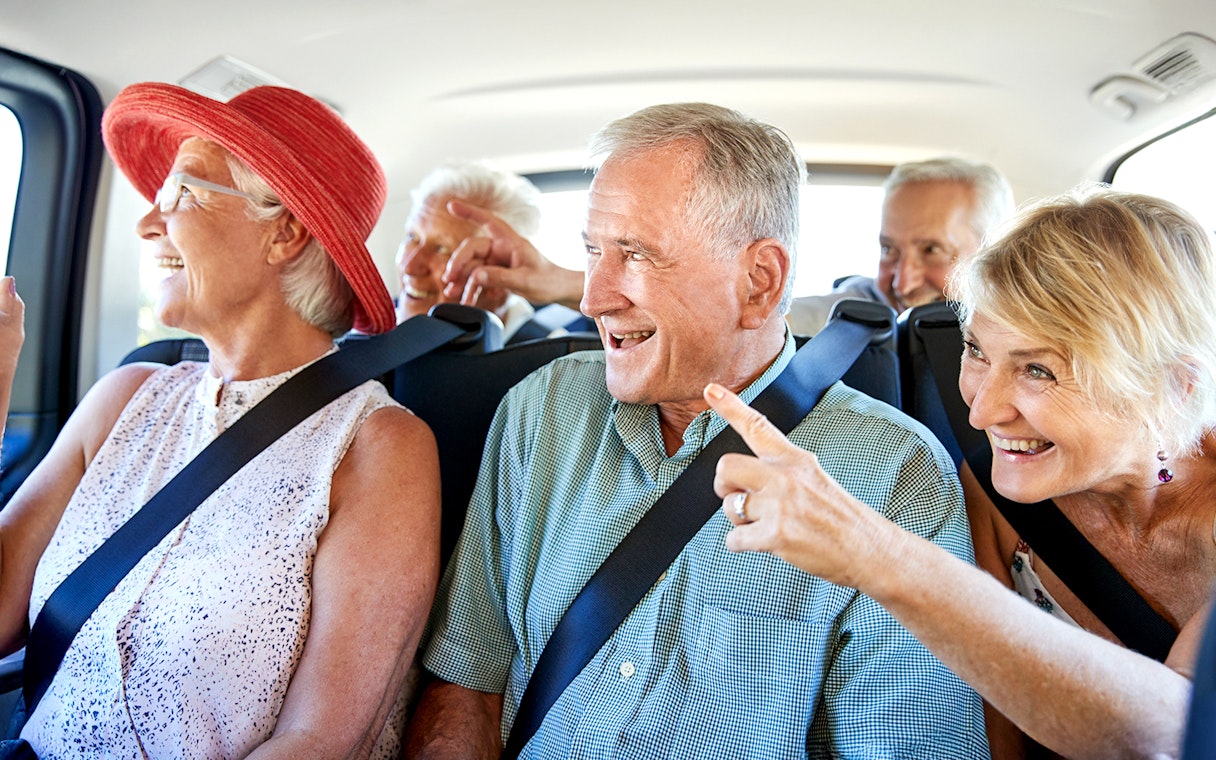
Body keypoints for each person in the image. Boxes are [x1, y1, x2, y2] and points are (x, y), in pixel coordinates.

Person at [407, 102, 988, 758]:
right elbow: (468, 682)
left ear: (759, 284)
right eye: (593, 251)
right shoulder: (540, 413)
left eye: (635, 254)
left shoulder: (896, 477)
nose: (593, 298)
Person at [0, 83, 441, 758]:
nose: (150, 224)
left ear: (285, 231)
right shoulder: (123, 397)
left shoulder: (377, 448)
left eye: (182, 193)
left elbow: (319, 742)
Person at [704, 188, 1216, 759]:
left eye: (1039, 370)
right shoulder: (995, 494)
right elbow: (995, 724)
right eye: (977, 351)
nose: (980, 412)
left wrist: (873, 552)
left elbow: (1181, 732)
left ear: (1174, 388)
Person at [440, 156, 1013, 337]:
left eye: (933, 250)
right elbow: (723, 314)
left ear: (991, 249)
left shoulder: (1038, 345)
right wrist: (562, 282)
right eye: (889, 248)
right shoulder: (844, 319)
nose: (903, 275)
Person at [784, 156, 1014, 333]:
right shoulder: (861, 308)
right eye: (889, 250)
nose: (902, 284)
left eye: (931, 250)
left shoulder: (1026, 333)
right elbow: (786, 322)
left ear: (993, 255)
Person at [396, 162, 588, 342]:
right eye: (412, 237)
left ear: (501, 280)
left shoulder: (551, 362)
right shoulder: (373, 332)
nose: (409, 267)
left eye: (442, 249)